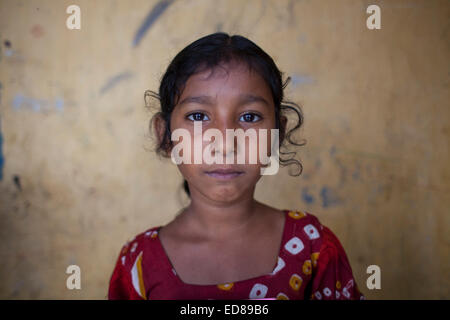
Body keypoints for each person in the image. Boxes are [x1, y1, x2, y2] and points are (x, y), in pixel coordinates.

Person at [108, 32, 364, 300]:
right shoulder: (138, 263)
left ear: (277, 134)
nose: (226, 143)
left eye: (250, 116)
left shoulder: (314, 247)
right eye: (198, 116)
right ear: (166, 135)